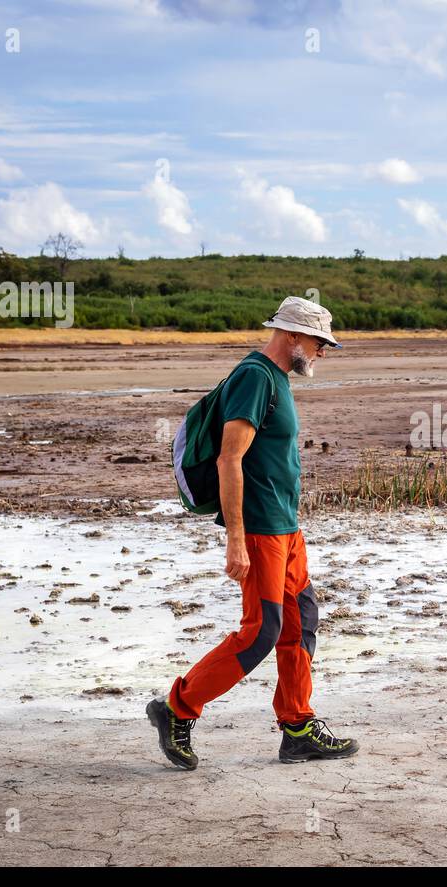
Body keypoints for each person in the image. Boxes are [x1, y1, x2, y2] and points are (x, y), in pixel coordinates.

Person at [147, 296, 359, 769]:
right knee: (261, 631)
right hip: (260, 530)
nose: (323, 351)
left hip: (286, 529)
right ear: (290, 335)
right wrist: (236, 539)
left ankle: (299, 729)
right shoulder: (254, 377)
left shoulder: (277, 380)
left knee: (301, 622)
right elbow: (229, 459)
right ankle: (176, 708)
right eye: (318, 342)